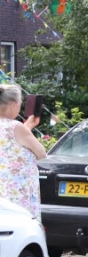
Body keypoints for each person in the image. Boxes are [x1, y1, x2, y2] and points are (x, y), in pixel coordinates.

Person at [0, 84, 47, 221]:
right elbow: (41, 153)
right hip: (17, 195)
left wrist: (28, 127)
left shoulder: (16, 128)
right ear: (12, 105)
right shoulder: (16, 127)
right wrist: (26, 128)